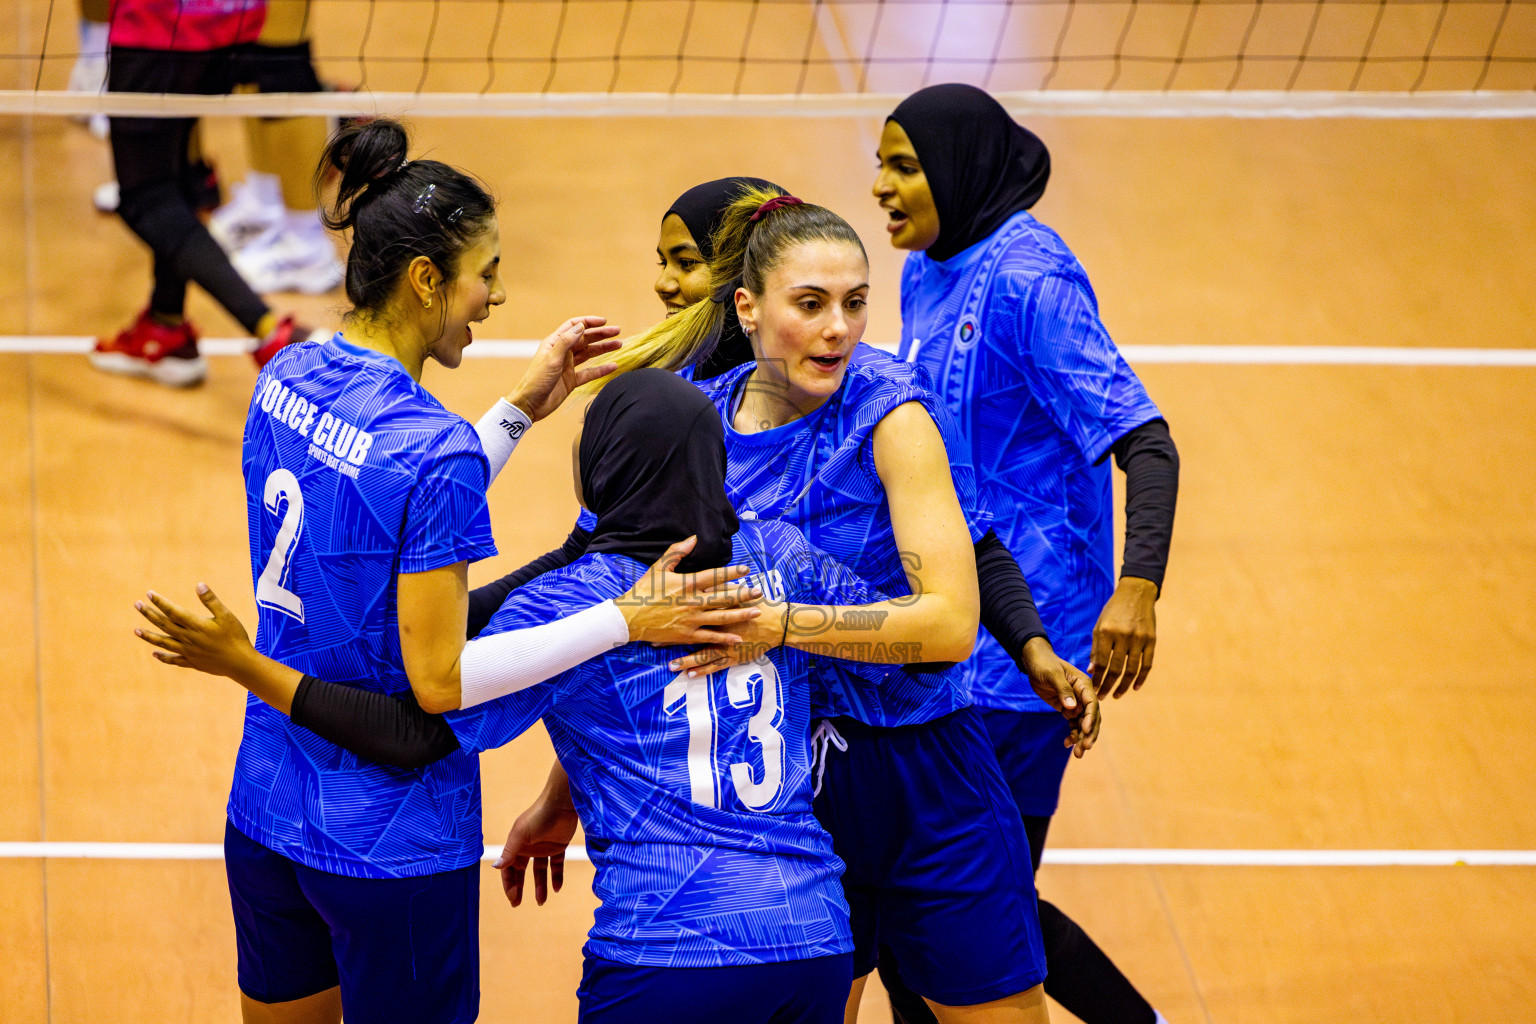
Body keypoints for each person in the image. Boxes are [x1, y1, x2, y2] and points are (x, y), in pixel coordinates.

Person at [131, 117, 762, 1024]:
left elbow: (377, 509)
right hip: (391, 843)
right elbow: (439, 683)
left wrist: (517, 409)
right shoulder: (432, 452)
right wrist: (627, 617)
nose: (496, 297)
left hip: (268, 800)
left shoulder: (288, 370)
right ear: (427, 278)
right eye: (486, 273)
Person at [138, 367, 968, 1023]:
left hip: (665, 952)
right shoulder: (779, 558)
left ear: (601, 467)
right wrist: (790, 625)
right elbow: (924, 661)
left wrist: (249, 665)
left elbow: (414, 732)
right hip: (812, 940)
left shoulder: (580, 602)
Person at [872, 82, 1181, 1024]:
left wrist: (1138, 589)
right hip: (956, 623)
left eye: (903, 167)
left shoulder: (1033, 281)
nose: (882, 188)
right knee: (942, 910)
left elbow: (1148, 440)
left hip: (1026, 649)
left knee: (967, 909)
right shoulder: (929, 261)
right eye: (880, 164)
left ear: (957, 172)